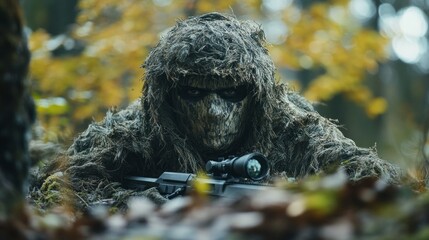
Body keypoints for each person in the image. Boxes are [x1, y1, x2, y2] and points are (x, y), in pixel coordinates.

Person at [32, 12, 400, 210]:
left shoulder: (291, 123)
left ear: (257, 95)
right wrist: (140, 205)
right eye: (193, 93)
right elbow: (59, 183)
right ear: (167, 98)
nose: (213, 112)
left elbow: (368, 175)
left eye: (231, 93)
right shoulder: (139, 128)